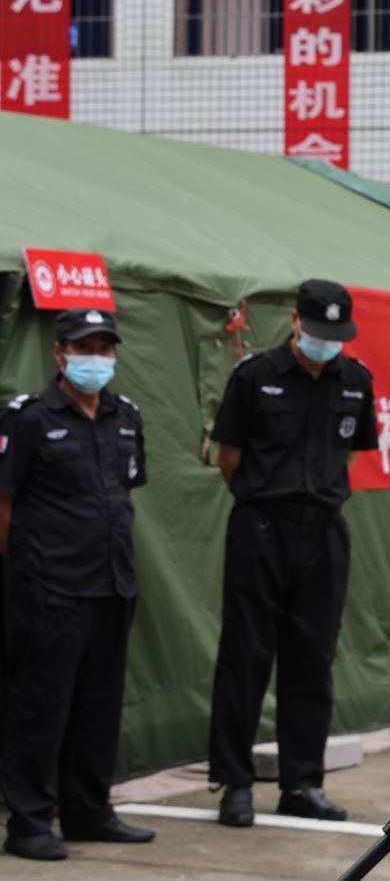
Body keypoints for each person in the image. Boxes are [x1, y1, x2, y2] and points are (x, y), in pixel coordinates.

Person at [207, 279, 378, 827]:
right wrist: (267, 503)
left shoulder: (356, 381)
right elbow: (228, 456)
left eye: (337, 334)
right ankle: (234, 782)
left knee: (312, 659)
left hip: (323, 533)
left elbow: (349, 455)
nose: (327, 342)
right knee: (246, 656)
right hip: (261, 529)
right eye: (318, 330)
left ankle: (302, 783)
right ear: (295, 323)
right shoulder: (254, 376)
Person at [0, 308, 156, 860]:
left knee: (99, 705)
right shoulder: (28, 417)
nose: (96, 358)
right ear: (59, 353)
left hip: (112, 585)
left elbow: (124, 496)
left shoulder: (126, 415)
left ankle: (88, 812)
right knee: (40, 707)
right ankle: (29, 823)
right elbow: (4, 505)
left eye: (104, 348)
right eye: (84, 348)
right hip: (50, 589)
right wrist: (31, 569)